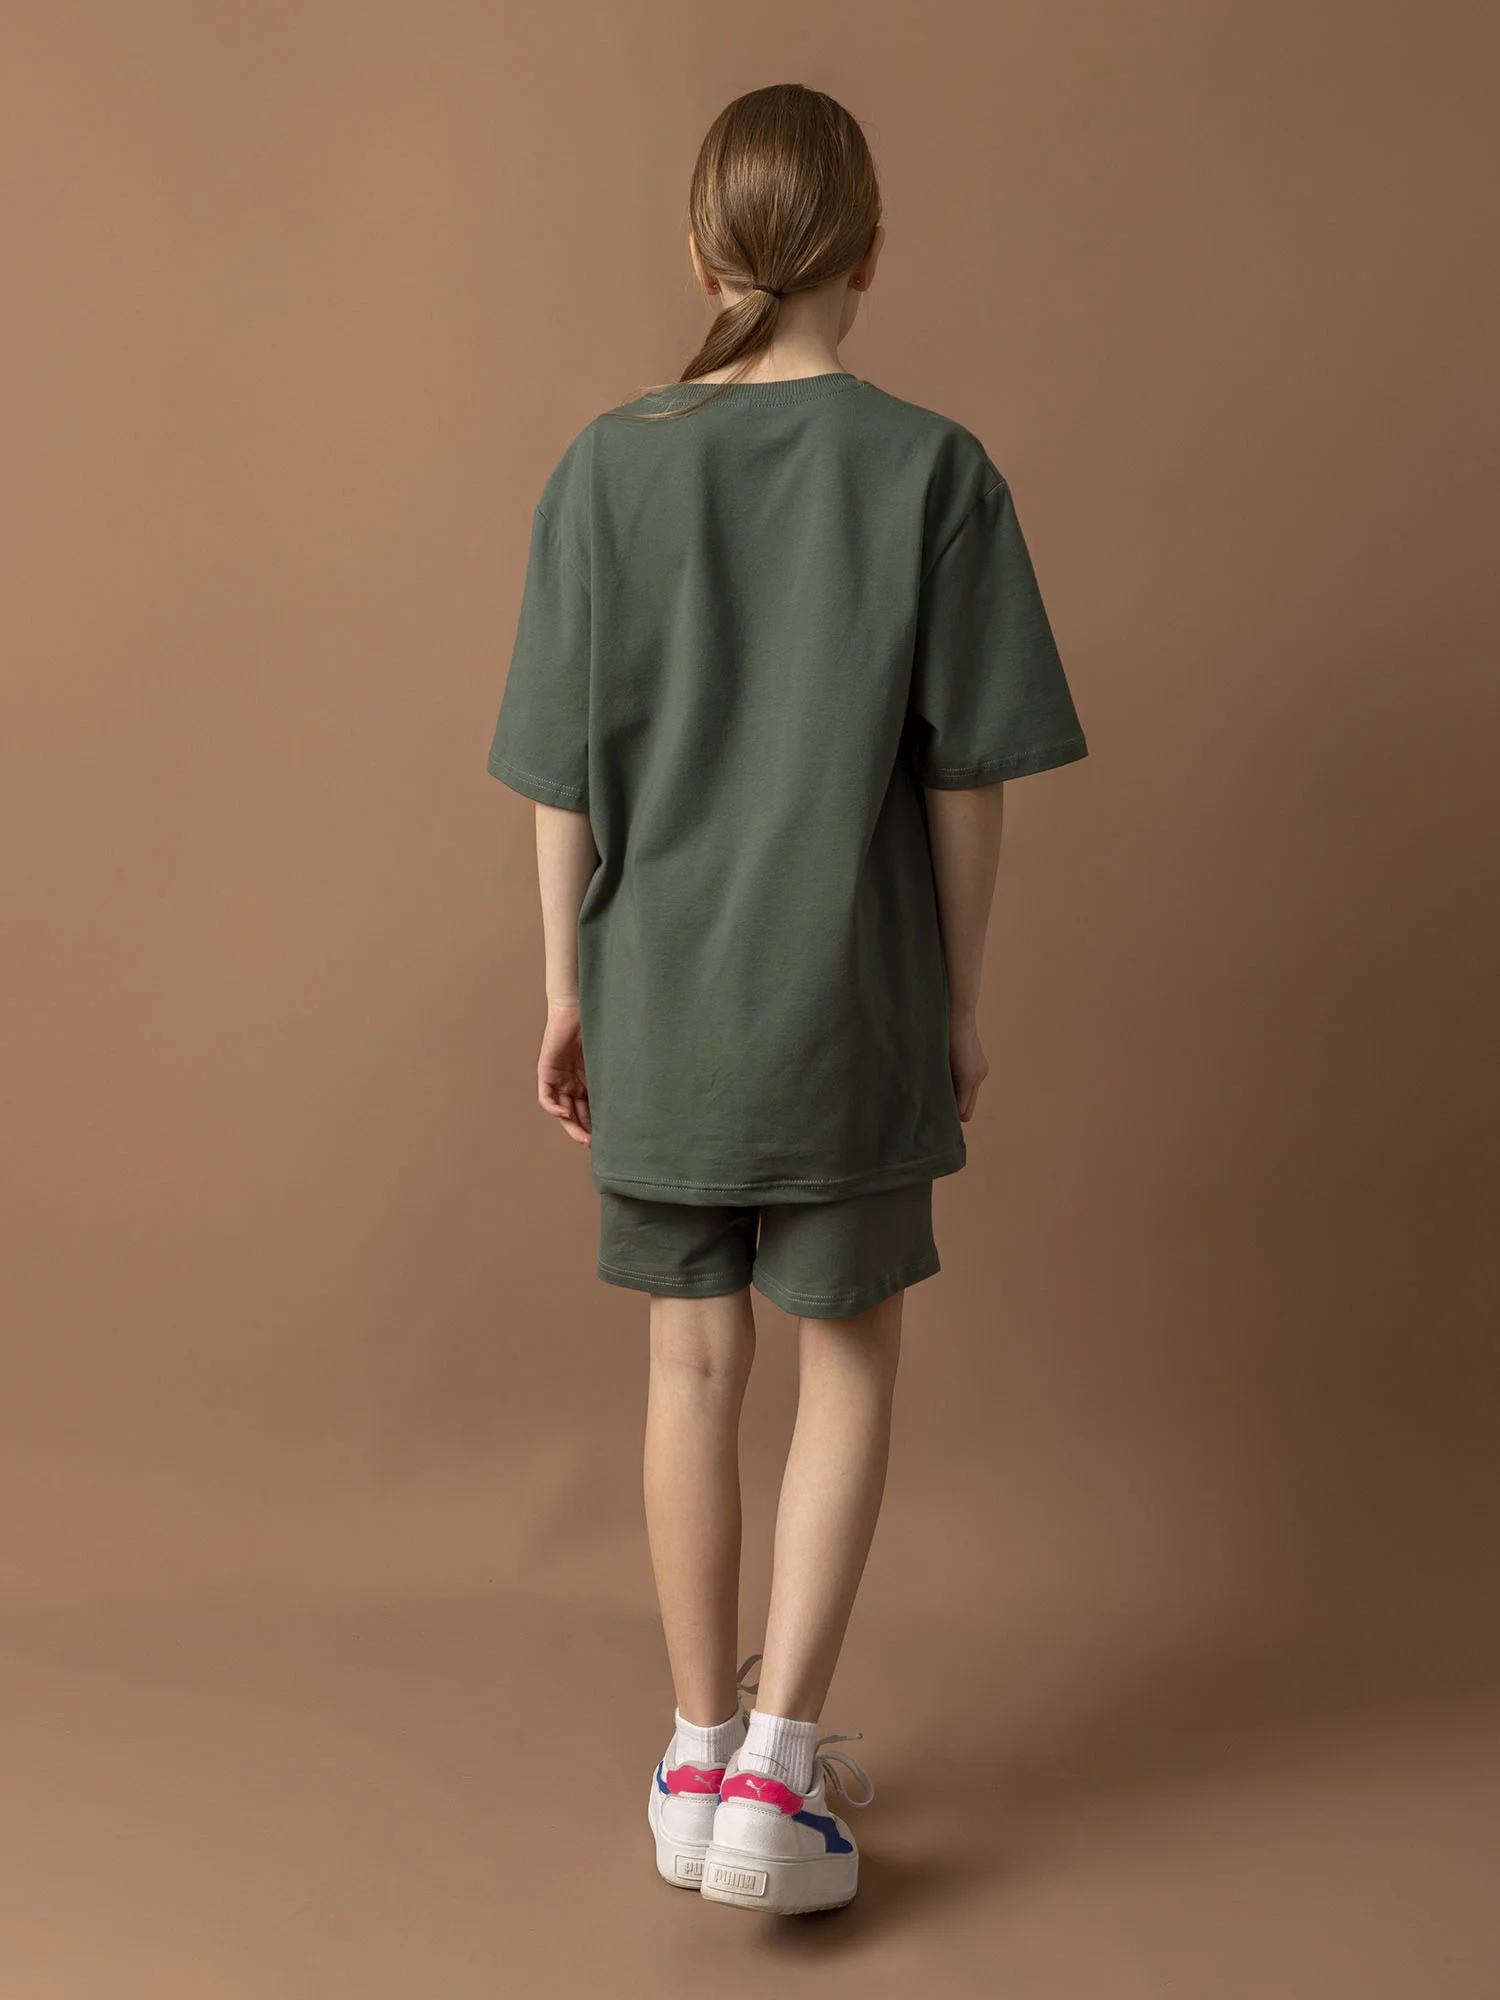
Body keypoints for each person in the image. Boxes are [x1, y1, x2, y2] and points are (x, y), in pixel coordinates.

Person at [486, 83, 1088, 1916]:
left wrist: (566, 989)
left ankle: (694, 1750)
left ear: (704, 254)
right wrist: (959, 1004)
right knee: (847, 1364)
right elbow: (965, 786)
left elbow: (561, 778)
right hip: (848, 1006)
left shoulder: (604, 468)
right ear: (871, 251)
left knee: (688, 1368)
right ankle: (778, 1767)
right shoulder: (935, 471)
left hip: (659, 1001)